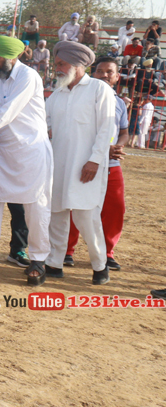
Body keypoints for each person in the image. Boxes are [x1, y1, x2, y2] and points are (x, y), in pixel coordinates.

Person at [0, 35, 54, 285]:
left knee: (36, 208)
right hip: (5, 153)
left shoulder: (29, 76)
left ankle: (38, 260)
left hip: (32, 152)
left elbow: (6, 113)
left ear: (11, 56)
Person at [42, 41, 115, 284]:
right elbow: (45, 124)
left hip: (87, 166)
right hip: (58, 163)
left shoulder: (99, 89)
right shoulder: (57, 94)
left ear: (77, 64)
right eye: (57, 64)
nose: (58, 69)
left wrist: (94, 160)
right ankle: (54, 263)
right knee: (56, 213)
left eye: (62, 64)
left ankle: (100, 266)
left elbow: (106, 128)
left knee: (86, 217)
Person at [65, 58, 128, 271]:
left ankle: (107, 253)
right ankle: (67, 250)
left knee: (114, 209)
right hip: (83, 161)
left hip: (111, 165)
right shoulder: (81, 97)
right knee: (76, 204)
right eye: (99, 71)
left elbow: (124, 132)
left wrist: (118, 146)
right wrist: (101, 150)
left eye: (109, 71)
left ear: (117, 76)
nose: (104, 75)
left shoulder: (120, 103)